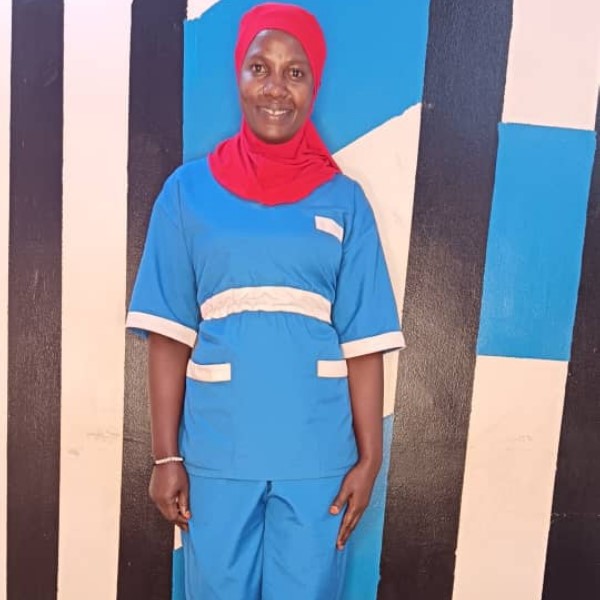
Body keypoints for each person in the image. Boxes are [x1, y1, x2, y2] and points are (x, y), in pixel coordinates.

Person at [125, 3, 405, 599]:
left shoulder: (345, 201)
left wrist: (370, 460)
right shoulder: (187, 193)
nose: (276, 87)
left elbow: (364, 342)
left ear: (313, 84)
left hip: (319, 457)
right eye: (260, 67)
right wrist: (165, 458)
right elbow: (169, 334)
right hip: (218, 452)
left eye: (294, 72)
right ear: (239, 75)